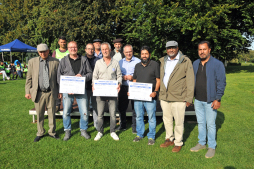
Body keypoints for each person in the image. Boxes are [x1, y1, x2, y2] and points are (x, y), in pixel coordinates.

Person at [190, 41, 226, 158]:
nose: (202, 52)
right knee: (200, 122)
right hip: (198, 100)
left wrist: (218, 98)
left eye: (204, 49)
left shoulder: (217, 64)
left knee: (210, 124)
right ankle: (201, 143)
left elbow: (221, 82)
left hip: (210, 100)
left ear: (209, 50)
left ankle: (211, 146)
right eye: (200, 50)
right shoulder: (195, 63)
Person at [159, 41, 195, 152]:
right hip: (165, 97)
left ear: (177, 48)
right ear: (166, 50)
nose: (171, 50)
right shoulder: (163, 61)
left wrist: (189, 97)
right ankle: (169, 139)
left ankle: (178, 142)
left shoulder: (185, 61)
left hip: (179, 97)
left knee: (179, 121)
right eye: (169, 48)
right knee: (167, 120)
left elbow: (190, 80)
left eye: (173, 48)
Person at [57, 41, 93, 141]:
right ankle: (67, 130)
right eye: (71, 47)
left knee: (84, 112)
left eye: (75, 47)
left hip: (81, 89)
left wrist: (83, 77)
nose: (73, 49)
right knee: (66, 112)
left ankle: (83, 130)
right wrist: (65, 88)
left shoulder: (84, 59)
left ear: (77, 48)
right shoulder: (63, 60)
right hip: (67, 90)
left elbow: (90, 73)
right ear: (68, 48)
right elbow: (59, 76)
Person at [25, 43, 60, 142]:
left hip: (51, 92)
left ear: (48, 51)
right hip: (38, 92)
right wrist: (27, 91)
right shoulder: (32, 62)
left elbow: (58, 79)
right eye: (40, 52)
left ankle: (52, 132)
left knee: (52, 113)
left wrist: (60, 91)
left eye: (44, 51)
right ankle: (40, 132)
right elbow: (29, 78)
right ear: (38, 52)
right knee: (39, 114)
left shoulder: (56, 62)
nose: (43, 53)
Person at [92, 42, 122, 141]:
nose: (105, 51)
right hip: (100, 92)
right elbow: (94, 76)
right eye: (103, 49)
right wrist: (93, 85)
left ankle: (112, 131)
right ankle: (100, 131)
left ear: (110, 50)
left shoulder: (115, 62)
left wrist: (119, 84)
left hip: (112, 92)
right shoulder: (98, 63)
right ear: (101, 51)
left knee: (113, 114)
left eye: (106, 49)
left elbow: (119, 76)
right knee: (100, 114)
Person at [131, 46, 160, 145]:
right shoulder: (137, 66)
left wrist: (155, 91)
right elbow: (134, 80)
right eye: (142, 54)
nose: (144, 56)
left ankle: (151, 136)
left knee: (151, 117)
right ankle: (140, 134)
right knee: (139, 116)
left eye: (146, 54)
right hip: (138, 97)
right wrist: (132, 91)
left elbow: (158, 80)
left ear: (149, 54)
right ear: (140, 55)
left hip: (150, 96)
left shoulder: (155, 65)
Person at [117, 44, 140, 133]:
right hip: (123, 87)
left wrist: (133, 78)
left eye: (130, 51)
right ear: (123, 52)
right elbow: (117, 75)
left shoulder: (138, 61)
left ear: (132, 51)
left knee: (135, 108)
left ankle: (134, 127)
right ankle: (123, 125)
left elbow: (141, 75)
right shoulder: (120, 62)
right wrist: (122, 77)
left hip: (134, 87)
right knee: (121, 107)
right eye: (126, 52)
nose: (128, 53)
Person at [85, 43, 100, 129]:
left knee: (95, 106)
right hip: (85, 86)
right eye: (89, 49)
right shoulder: (82, 59)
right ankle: (85, 124)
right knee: (85, 107)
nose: (90, 50)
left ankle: (96, 124)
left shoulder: (98, 60)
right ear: (85, 50)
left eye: (92, 49)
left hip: (96, 87)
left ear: (94, 50)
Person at [52, 36, 69, 111]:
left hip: (67, 74)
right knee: (57, 89)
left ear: (66, 42)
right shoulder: (55, 52)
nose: (63, 43)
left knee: (67, 91)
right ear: (58, 42)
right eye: (61, 42)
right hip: (57, 73)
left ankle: (68, 106)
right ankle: (57, 105)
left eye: (64, 42)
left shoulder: (69, 51)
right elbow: (52, 62)